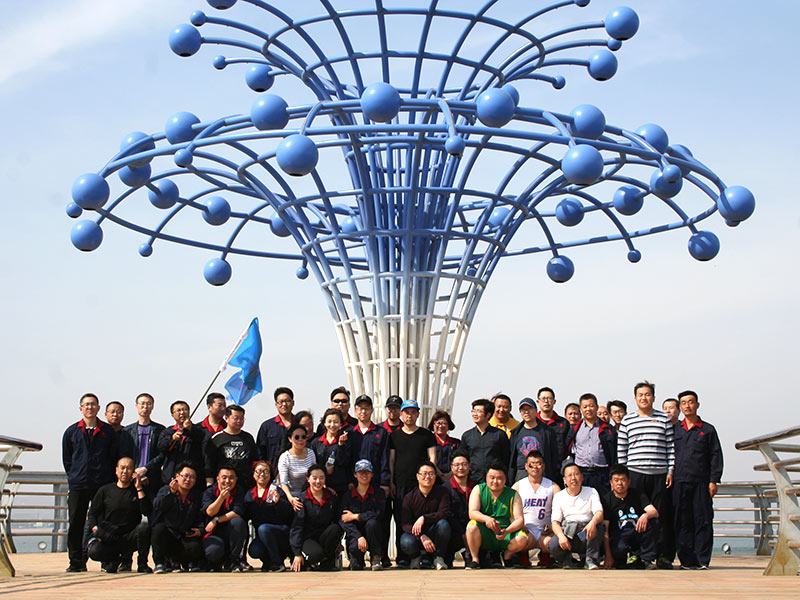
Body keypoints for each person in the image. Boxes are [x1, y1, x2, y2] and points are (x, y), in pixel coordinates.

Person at [617, 380, 675, 569]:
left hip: (659, 475)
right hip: (635, 475)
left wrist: (670, 470)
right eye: (640, 395)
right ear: (635, 398)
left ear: (653, 397)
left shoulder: (663, 419)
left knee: (660, 516)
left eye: (647, 394)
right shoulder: (628, 420)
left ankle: (661, 555)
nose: (644, 398)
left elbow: (670, 447)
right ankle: (636, 554)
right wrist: (624, 476)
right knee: (634, 515)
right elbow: (622, 450)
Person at [62, 393, 118, 572]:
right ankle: (76, 561)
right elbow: (67, 459)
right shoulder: (71, 431)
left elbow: (113, 456)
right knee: (75, 523)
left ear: (99, 408)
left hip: (101, 484)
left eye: (93, 404)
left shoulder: (107, 431)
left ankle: (106, 560)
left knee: (103, 523)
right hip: (78, 484)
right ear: (81, 408)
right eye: (86, 405)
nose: (90, 407)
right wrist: (74, 475)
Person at [672, 390, 723, 570]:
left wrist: (714, 480)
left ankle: (702, 559)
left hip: (701, 482)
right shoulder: (675, 430)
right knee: (682, 521)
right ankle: (686, 560)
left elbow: (716, 456)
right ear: (680, 407)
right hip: (679, 482)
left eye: (691, 402)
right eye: (683, 403)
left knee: (703, 520)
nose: (687, 406)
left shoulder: (707, 430)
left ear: (697, 405)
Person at [389, 399, 436, 567]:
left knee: (424, 518)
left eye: (413, 412)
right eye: (406, 412)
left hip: (421, 486)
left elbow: (432, 458)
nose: (409, 415)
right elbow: (392, 460)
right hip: (401, 484)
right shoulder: (394, 436)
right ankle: (403, 556)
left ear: (418, 414)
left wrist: (430, 479)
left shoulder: (426, 435)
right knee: (401, 519)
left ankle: (425, 555)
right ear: (401, 415)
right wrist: (391, 482)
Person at [86, 457, 152, 573]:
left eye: (129, 468)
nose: (125, 471)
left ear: (133, 472)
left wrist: (139, 488)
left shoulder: (137, 491)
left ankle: (142, 563)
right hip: (110, 537)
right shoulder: (105, 490)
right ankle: (114, 560)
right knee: (94, 551)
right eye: (122, 468)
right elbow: (92, 514)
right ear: (116, 470)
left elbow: (146, 511)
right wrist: (96, 529)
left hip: (129, 537)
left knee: (144, 528)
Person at [464, 463, 527, 569]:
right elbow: (472, 512)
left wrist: (507, 531)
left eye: (499, 478)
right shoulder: (478, 489)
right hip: (485, 530)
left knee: (522, 539)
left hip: (505, 531)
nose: (495, 481)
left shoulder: (513, 494)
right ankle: (475, 559)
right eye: (492, 478)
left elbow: (520, 519)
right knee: (471, 526)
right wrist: (487, 519)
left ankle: (507, 556)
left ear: (505, 479)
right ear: (486, 478)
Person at [602, 464, 659, 570]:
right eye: (616, 480)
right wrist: (608, 556)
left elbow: (654, 512)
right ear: (611, 483)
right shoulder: (607, 500)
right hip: (619, 534)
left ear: (629, 482)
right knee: (618, 550)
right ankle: (621, 560)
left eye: (623, 480)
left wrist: (645, 515)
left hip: (637, 530)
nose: (620, 483)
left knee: (653, 521)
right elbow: (605, 530)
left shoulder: (638, 494)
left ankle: (646, 559)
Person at [548, 463, 605, 569]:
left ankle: (590, 561)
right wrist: (561, 536)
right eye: (570, 475)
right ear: (564, 480)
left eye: (576, 474)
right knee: (553, 544)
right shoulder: (559, 496)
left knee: (599, 527)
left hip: (586, 531)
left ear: (582, 477)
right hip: (569, 531)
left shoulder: (591, 491)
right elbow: (555, 522)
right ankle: (567, 561)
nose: (573, 478)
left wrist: (592, 523)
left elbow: (599, 513)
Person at [150, 462, 204, 573]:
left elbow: (200, 517)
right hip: (168, 534)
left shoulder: (197, 495)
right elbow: (157, 506)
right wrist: (171, 493)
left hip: (184, 536)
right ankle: (160, 563)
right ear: (177, 477)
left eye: (192, 477)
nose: (188, 480)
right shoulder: (165, 490)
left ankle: (179, 563)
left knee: (195, 547)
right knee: (158, 530)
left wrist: (200, 530)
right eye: (185, 476)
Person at [399, 461, 451, 570]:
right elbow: (405, 524)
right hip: (416, 535)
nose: (427, 477)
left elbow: (443, 513)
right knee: (406, 541)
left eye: (431, 474)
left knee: (444, 525)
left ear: (435, 476)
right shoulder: (409, 497)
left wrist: (424, 518)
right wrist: (421, 536)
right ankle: (416, 557)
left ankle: (438, 557)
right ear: (417, 476)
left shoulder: (442, 492)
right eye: (424, 474)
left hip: (434, 531)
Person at [290, 465, 342, 572]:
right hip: (307, 538)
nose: (318, 481)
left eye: (321, 478)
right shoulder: (301, 499)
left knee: (336, 528)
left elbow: (337, 519)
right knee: (316, 555)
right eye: (314, 478)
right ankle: (313, 559)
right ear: (308, 479)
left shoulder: (331, 497)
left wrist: (338, 543)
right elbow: (297, 527)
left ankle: (327, 561)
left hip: (324, 537)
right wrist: (297, 553)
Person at [512, 451, 560, 568]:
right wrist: (518, 524)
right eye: (531, 464)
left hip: (545, 531)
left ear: (543, 466)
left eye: (538, 464)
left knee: (552, 544)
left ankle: (545, 555)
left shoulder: (553, 486)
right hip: (525, 530)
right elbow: (510, 511)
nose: (535, 467)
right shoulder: (518, 486)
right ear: (526, 466)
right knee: (521, 540)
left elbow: (560, 510)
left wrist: (552, 527)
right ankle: (522, 555)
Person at [245, 460, 294, 572]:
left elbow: (287, 514)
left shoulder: (277, 491)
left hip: (280, 532)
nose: (262, 474)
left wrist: (278, 503)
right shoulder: (250, 494)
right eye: (259, 471)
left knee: (264, 529)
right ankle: (267, 561)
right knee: (254, 550)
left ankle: (277, 563)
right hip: (262, 535)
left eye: (266, 471)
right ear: (253, 474)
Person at [565, 393, 617, 493]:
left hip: (602, 474)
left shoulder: (607, 429)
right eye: (585, 407)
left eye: (591, 406)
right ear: (581, 409)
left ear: (597, 407)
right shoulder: (575, 429)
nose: (588, 409)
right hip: (582, 473)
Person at [340, 459, 386, 570]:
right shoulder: (347, 496)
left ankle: (376, 558)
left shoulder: (379, 493)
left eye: (367, 472)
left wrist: (356, 516)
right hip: (356, 535)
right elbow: (344, 520)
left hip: (373, 533)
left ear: (372, 474)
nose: (364, 475)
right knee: (356, 566)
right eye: (361, 472)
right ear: (355, 475)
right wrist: (358, 536)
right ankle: (357, 560)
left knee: (372, 523)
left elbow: (378, 513)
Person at [202, 466, 249, 572]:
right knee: (213, 552)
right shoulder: (210, 492)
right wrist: (221, 498)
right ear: (217, 479)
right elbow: (210, 512)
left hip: (231, 530)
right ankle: (216, 562)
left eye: (231, 478)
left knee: (238, 522)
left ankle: (234, 561)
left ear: (236, 479)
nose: (227, 481)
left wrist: (216, 520)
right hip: (214, 532)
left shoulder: (239, 491)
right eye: (224, 477)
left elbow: (237, 512)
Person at [120, 393, 165, 497]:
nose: (145, 407)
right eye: (142, 404)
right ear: (136, 406)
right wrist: (135, 473)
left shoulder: (159, 430)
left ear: (152, 407)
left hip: (152, 477)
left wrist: (146, 469)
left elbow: (161, 454)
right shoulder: (127, 431)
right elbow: (123, 454)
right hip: (131, 477)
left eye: (148, 404)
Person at [204, 404, 258, 489]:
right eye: (236, 418)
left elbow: (255, 460)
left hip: (245, 485)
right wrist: (209, 484)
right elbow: (209, 464)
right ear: (226, 418)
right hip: (224, 484)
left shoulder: (248, 438)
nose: (239, 421)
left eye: (242, 418)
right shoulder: (217, 438)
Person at [509, 397, 559, 484]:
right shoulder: (516, 432)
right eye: (523, 410)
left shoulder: (547, 431)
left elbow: (554, 455)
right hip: (522, 472)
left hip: (541, 471)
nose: (526, 412)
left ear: (536, 411)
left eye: (529, 409)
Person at [158, 400, 207, 486]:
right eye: (178, 410)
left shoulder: (198, 430)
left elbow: (202, 440)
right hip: (171, 475)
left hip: (192, 478)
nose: (182, 413)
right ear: (173, 415)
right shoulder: (168, 431)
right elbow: (161, 447)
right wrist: (171, 439)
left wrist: (190, 429)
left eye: (185, 409)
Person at [461, 398, 510, 484]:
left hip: (495, 481)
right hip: (473, 480)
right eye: (473, 411)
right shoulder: (467, 436)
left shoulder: (499, 434)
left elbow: (506, 459)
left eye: (479, 411)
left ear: (488, 415)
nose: (475, 414)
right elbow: (464, 459)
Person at [350, 394, 391, 493]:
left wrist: (385, 483)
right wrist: (349, 481)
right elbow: (347, 460)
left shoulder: (381, 432)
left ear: (372, 410)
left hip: (376, 482)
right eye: (360, 408)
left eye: (366, 408)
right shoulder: (350, 433)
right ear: (355, 410)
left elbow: (385, 459)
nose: (363, 412)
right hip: (355, 483)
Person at [310, 408, 353, 495]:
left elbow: (345, 462)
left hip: (341, 486)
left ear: (341, 424)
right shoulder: (316, 443)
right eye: (329, 421)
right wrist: (325, 471)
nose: (332, 425)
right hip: (320, 485)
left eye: (336, 422)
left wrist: (341, 445)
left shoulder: (346, 441)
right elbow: (312, 464)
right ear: (324, 423)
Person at [277, 423, 317, 511]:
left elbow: (315, 474)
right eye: (296, 437)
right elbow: (283, 483)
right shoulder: (285, 457)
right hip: (290, 495)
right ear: (290, 439)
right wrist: (291, 498)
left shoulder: (311, 453)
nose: (300, 440)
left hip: (308, 494)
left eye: (303, 437)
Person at [445, 450, 475, 568]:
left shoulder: (476, 487)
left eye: (464, 464)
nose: (461, 468)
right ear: (451, 468)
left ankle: (471, 555)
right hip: (454, 530)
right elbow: (447, 513)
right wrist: (462, 532)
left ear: (469, 466)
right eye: (457, 465)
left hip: (473, 528)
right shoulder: (445, 488)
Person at [256, 386, 296, 469]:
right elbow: (260, 452)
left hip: (296, 471)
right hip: (273, 471)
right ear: (276, 405)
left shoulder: (299, 424)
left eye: (287, 401)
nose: (284, 404)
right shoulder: (267, 426)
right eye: (281, 402)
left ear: (293, 403)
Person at [536, 387, 569, 466]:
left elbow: (567, 446)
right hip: (537, 466)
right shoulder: (533, 422)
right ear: (538, 402)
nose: (546, 401)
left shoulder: (563, 423)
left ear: (554, 401)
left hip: (557, 466)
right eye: (543, 399)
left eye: (549, 398)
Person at [428, 410, 460, 480]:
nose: (441, 426)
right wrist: (440, 475)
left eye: (444, 423)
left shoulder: (456, 443)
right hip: (432, 479)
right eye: (438, 423)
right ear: (433, 425)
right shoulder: (428, 443)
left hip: (452, 478)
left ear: (448, 426)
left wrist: (450, 475)